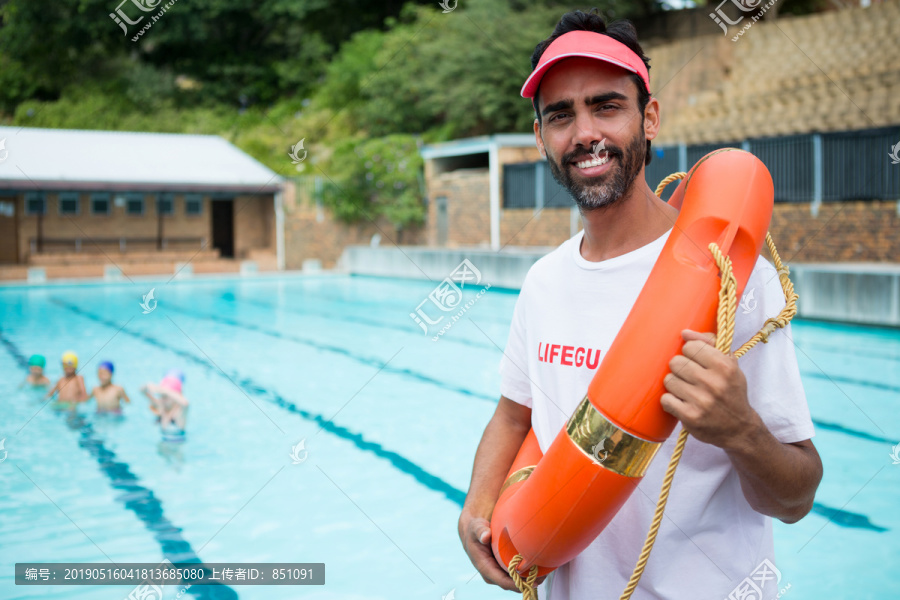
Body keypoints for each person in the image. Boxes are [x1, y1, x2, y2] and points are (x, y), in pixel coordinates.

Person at [458, 10, 823, 600]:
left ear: (649, 118)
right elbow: (513, 415)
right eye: (560, 115)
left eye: (607, 106)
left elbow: (798, 498)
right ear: (540, 138)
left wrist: (741, 431)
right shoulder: (544, 281)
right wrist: (475, 508)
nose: (584, 134)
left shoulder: (736, 279)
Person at [141, 374, 188, 441]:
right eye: (162, 396)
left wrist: (165, 391)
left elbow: (185, 404)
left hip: (175, 450)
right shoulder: (161, 406)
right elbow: (142, 392)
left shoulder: (180, 413)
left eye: (166, 396)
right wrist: (148, 385)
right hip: (161, 447)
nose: (163, 399)